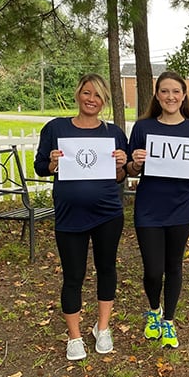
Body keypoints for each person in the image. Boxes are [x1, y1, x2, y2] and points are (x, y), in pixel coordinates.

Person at [34, 73, 128, 361]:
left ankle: (102, 327)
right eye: (87, 93)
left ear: (104, 101)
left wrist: (122, 165)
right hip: (70, 214)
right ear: (78, 94)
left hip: (108, 213)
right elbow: (40, 167)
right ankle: (74, 336)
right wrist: (51, 163)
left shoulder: (113, 133)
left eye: (98, 95)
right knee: (73, 275)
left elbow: (119, 177)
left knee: (106, 269)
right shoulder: (56, 128)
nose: (91, 100)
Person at [126, 71, 189, 349]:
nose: (170, 97)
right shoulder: (143, 128)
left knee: (173, 265)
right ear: (157, 95)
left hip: (181, 206)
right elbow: (128, 169)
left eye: (176, 91)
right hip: (149, 205)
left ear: (184, 96)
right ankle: (154, 311)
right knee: (152, 269)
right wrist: (135, 163)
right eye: (164, 91)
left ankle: (169, 321)